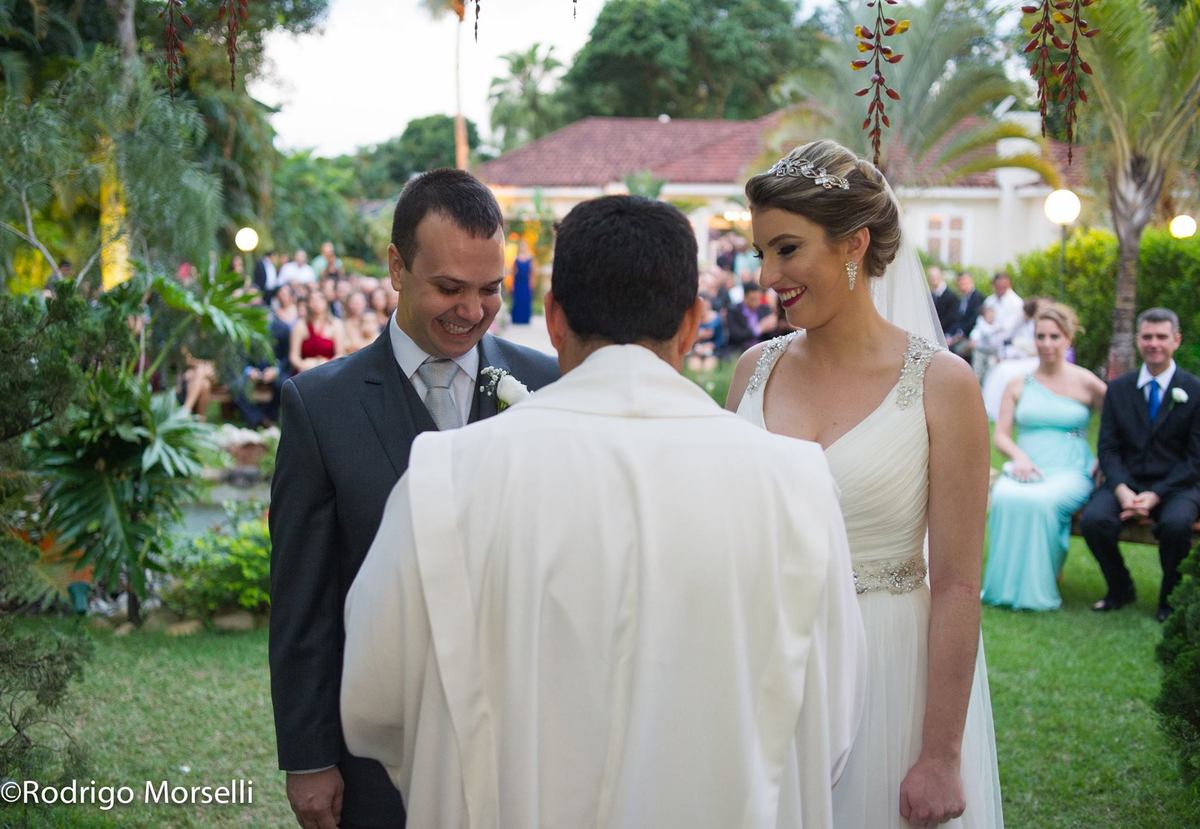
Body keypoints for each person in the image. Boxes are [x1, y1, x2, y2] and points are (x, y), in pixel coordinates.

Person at [340, 195, 866, 827]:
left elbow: (375, 700)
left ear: (555, 318)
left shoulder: (444, 476)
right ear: (693, 322)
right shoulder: (797, 484)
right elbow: (836, 712)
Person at [269, 168, 559, 829]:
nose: (472, 309)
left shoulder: (546, 384)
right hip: (379, 750)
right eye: (449, 288)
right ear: (397, 267)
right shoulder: (320, 407)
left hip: (523, 745)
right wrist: (308, 756)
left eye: (489, 289)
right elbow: (301, 599)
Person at [727, 140, 1004, 829]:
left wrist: (940, 753)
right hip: (764, 664)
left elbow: (961, 583)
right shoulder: (752, 369)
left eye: (786, 250)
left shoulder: (942, 384)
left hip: (885, 667)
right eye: (760, 252)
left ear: (854, 245)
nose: (766, 275)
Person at [982, 304, 1106, 610]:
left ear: (1068, 339)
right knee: (1007, 497)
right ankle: (1003, 590)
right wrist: (1019, 458)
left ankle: (1038, 589)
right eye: (1041, 336)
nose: (1047, 344)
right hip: (1027, 465)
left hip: (1071, 469)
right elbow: (1000, 435)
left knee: (1041, 502)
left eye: (1055, 336)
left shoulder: (1088, 382)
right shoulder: (1017, 384)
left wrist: (1105, 461)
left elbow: (1121, 427)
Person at [1080, 307, 1200, 622]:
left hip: (1177, 486)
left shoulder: (1194, 390)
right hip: (1125, 481)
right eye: (1147, 336)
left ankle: (1168, 599)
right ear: (1137, 340)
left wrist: (1156, 494)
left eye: (1162, 337)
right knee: (1093, 520)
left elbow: (1195, 458)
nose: (1154, 343)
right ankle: (1120, 588)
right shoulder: (1118, 389)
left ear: (1176, 340)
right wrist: (1121, 489)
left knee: (1176, 526)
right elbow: (1107, 446)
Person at [288, 289, 345, 374]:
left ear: (326, 301)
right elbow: (293, 356)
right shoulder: (300, 325)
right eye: (312, 299)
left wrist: (325, 365)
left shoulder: (336, 324)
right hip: (305, 371)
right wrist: (302, 365)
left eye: (320, 299)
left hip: (329, 370)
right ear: (308, 303)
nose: (316, 303)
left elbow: (340, 354)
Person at [929, 266, 960, 337]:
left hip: (946, 334)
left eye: (935, 276)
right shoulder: (930, 295)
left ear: (941, 276)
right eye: (931, 277)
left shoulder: (952, 296)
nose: (933, 279)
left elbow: (952, 318)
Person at [510, 238, 534, 324]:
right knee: (517, 301)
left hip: (525, 283)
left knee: (525, 300)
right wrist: (512, 285)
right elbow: (513, 272)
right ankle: (516, 319)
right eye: (522, 246)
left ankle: (525, 320)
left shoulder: (530, 258)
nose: (523, 247)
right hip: (518, 283)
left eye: (524, 246)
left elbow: (532, 273)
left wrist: (531, 284)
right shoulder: (516, 259)